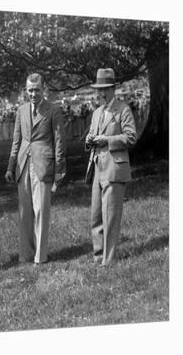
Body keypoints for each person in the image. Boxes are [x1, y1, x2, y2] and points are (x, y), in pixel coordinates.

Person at [5, 73, 66, 265]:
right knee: (25, 212)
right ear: (26, 90)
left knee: (41, 210)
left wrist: (58, 170)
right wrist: (10, 167)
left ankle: (40, 256)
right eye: (30, 90)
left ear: (44, 89)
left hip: (43, 164)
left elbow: (59, 141)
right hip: (22, 165)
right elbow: (16, 140)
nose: (33, 93)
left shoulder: (53, 110)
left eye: (37, 90)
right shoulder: (21, 110)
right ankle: (26, 254)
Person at [84, 68, 136, 266]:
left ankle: (110, 259)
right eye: (99, 90)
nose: (102, 93)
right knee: (96, 215)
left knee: (111, 216)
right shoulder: (97, 112)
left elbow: (131, 136)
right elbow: (91, 138)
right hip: (97, 166)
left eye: (106, 89)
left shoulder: (123, 110)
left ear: (113, 89)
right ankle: (98, 256)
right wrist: (89, 140)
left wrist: (108, 139)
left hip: (115, 168)